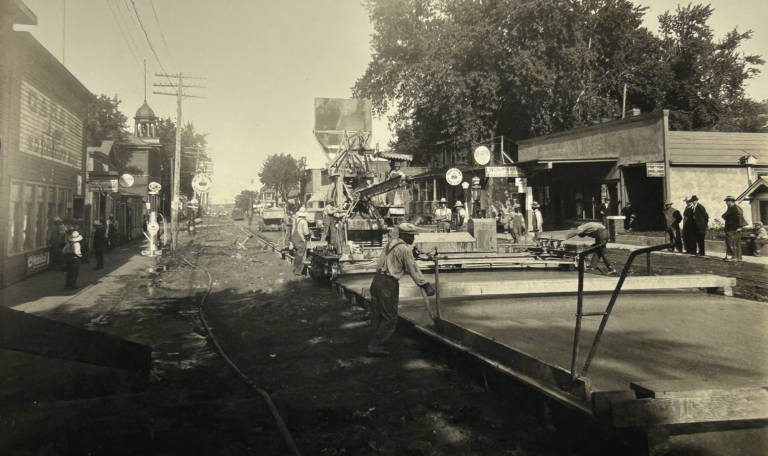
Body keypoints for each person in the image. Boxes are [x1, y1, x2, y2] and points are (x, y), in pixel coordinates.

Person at [368, 223, 436, 356]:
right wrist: (425, 284)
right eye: (411, 236)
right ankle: (375, 345)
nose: (413, 239)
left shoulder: (390, 243)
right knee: (390, 318)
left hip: (377, 280)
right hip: (388, 284)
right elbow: (413, 269)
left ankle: (373, 340)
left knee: (377, 315)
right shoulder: (404, 249)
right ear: (404, 235)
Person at [722, 196, 748, 261]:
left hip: (731, 228)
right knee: (736, 242)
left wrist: (739, 227)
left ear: (730, 202)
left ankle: (733, 257)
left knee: (730, 242)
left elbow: (724, 215)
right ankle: (738, 257)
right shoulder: (737, 208)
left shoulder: (732, 208)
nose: (726, 203)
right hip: (736, 228)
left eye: (727, 202)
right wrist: (739, 227)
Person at [291, 207, 310, 276]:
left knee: (297, 255)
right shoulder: (304, 222)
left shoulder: (295, 220)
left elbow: (293, 231)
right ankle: (299, 271)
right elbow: (305, 232)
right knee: (301, 256)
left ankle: (296, 269)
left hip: (294, 240)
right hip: (301, 240)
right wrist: (308, 236)